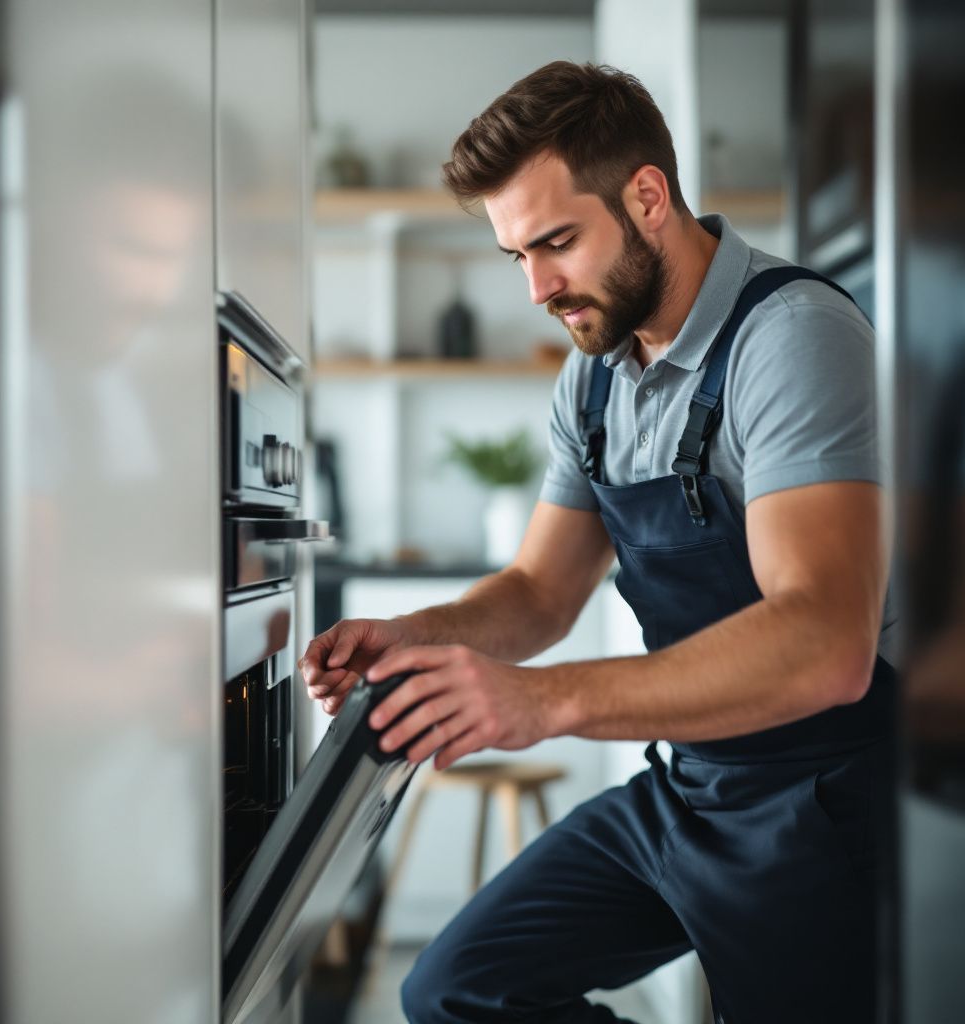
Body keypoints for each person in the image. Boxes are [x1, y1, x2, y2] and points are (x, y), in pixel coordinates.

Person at [299, 61, 897, 1024]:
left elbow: (827, 641)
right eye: (516, 256)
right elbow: (540, 592)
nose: (536, 288)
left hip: (825, 805)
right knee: (459, 990)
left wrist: (545, 701)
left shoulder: (793, 336)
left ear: (648, 196)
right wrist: (418, 634)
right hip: (690, 791)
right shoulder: (594, 377)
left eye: (557, 243)